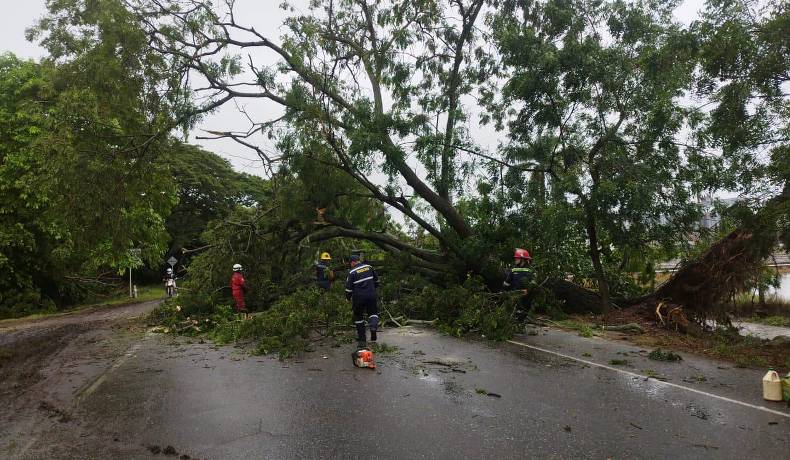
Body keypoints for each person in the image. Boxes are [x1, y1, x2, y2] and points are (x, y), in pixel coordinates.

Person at [345, 254, 380, 348]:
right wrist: (372, 289)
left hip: (358, 298)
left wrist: (347, 298)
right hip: (371, 295)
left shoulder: (352, 272)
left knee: (358, 317)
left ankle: (362, 340)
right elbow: (377, 281)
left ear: (353, 262)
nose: (350, 265)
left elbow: (348, 289)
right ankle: (373, 327)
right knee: (373, 313)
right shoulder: (369, 267)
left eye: (350, 263)